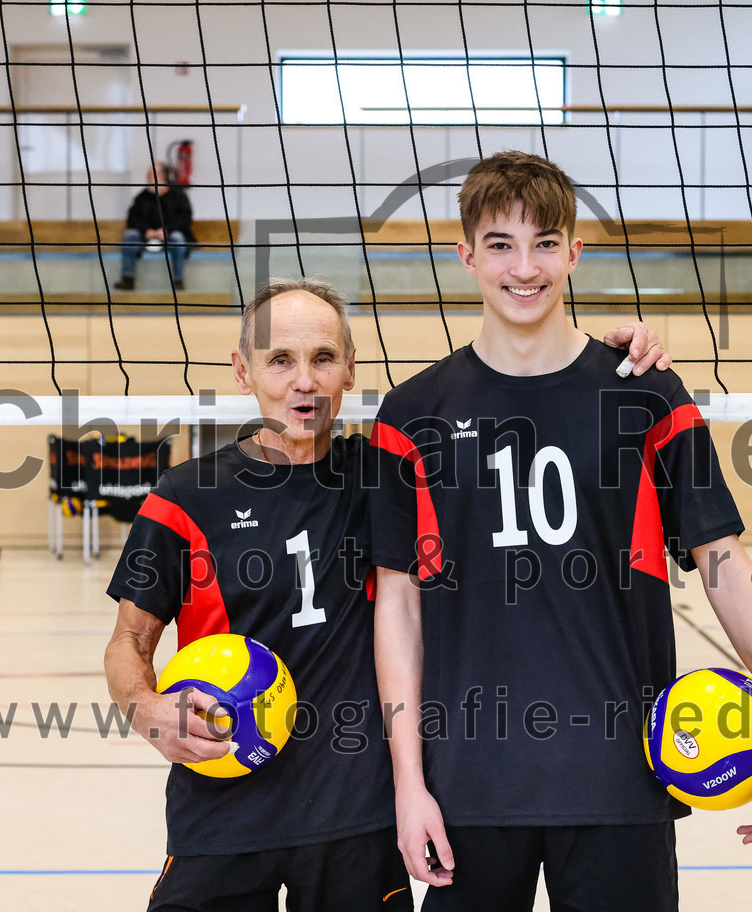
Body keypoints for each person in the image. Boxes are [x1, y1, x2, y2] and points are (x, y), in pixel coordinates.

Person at [103, 275, 669, 911]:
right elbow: (128, 641)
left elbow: (521, 413)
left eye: (322, 359)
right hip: (223, 802)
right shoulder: (184, 496)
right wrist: (144, 708)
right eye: (280, 361)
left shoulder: (392, 472)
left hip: (359, 819)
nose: (304, 382)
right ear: (242, 371)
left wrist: (610, 352)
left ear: (351, 367)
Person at [370, 152, 752, 911]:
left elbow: (721, 560)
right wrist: (408, 785)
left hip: (622, 777)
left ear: (576, 253)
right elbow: (398, 606)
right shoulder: (412, 414)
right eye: (501, 244)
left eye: (546, 242)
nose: (525, 267)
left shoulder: (644, 393)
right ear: (466, 256)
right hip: (471, 783)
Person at [115, 161, 194, 291]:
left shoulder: (178, 196)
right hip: (147, 236)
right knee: (130, 236)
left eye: (151, 175)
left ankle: (178, 280)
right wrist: (147, 231)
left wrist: (166, 230)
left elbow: (185, 218)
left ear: (162, 176)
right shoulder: (142, 197)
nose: (148, 179)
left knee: (178, 238)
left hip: (170, 235)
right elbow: (132, 218)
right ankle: (128, 279)